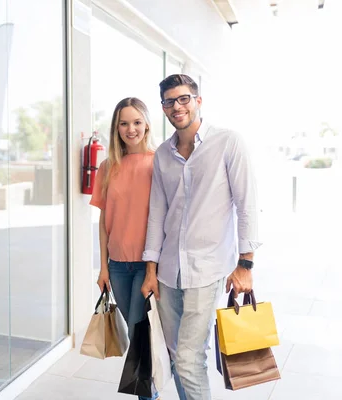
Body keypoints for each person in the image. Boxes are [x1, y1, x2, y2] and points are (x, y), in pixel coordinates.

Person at [140, 74, 261, 400]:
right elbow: (156, 214)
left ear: (198, 101)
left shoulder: (228, 142)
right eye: (169, 102)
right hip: (167, 272)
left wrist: (245, 264)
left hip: (207, 270)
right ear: (163, 108)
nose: (177, 106)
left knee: (190, 359)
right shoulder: (163, 154)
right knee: (177, 356)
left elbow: (247, 204)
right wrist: (151, 270)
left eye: (183, 99)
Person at [89, 97, 157, 400]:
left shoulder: (158, 163)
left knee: (141, 331)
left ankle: (148, 393)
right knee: (133, 334)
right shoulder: (108, 166)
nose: (131, 129)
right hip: (117, 265)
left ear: (146, 124)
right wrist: (103, 267)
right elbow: (104, 220)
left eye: (137, 122)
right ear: (116, 128)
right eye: (124, 123)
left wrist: (153, 270)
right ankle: (149, 389)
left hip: (146, 265)